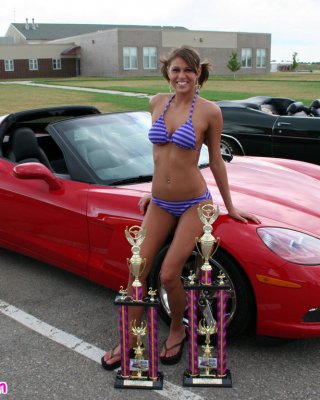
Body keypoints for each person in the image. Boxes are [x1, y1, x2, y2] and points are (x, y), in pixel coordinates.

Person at [101, 45, 260, 369]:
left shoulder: (210, 111)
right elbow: (160, 155)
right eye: (176, 69)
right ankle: (130, 336)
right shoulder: (156, 102)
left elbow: (215, 160)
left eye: (188, 70)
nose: (182, 75)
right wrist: (151, 189)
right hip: (160, 202)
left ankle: (176, 329)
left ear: (199, 73)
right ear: (167, 73)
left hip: (193, 203)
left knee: (171, 274)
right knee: (136, 272)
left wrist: (230, 206)